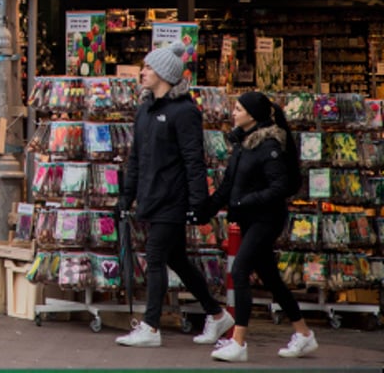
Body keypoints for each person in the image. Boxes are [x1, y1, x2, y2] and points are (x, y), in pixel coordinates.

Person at [115, 41, 234, 348]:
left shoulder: (184, 112)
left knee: (155, 256)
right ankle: (217, 313)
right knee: (176, 259)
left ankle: (151, 327)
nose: (142, 72)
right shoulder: (144, 110)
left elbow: (194, 161)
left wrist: (197, 205)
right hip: (151, 197)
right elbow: (136, 159)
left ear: (165, 74)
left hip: (173, 199)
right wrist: (125, 198)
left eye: (148, 68)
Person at [200, 91, 317, 362]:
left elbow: (279, 187)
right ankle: (304, 334)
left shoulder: (269, 146)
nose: (233, 112)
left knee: (239, 270)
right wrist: (202, 211)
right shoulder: (243, 144)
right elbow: (228, 186)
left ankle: (238, 342)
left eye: (238, 109)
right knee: (271, 278)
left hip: (267, 219)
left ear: (252, 115)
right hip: (250, 218)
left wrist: (244, 201)